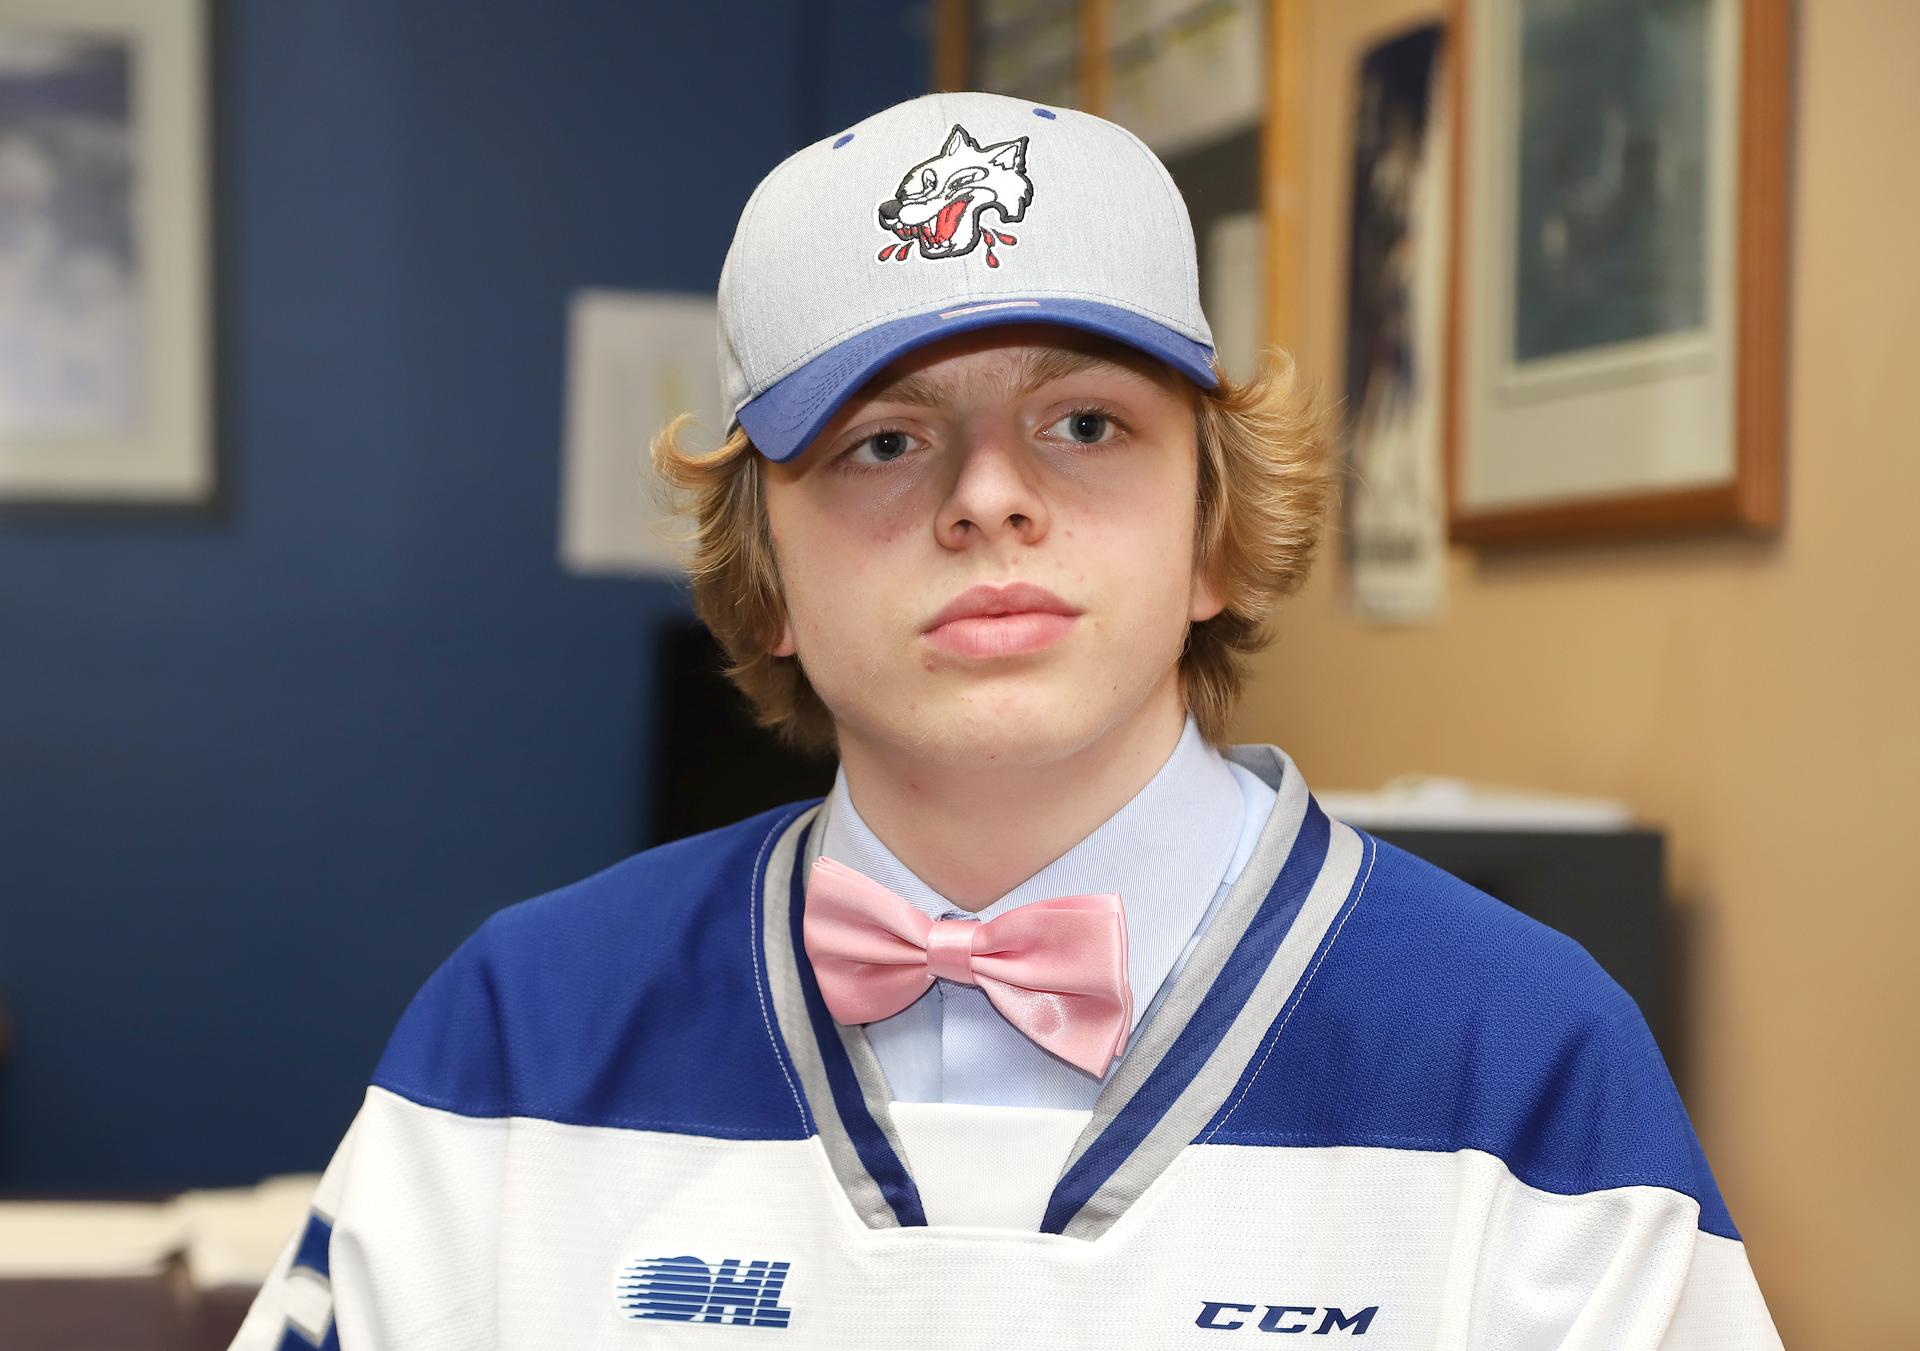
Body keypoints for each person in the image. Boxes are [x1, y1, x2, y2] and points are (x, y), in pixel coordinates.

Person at [232, 91, 1780, 1349]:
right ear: (761, 576)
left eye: (1086, 422)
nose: (988, 498)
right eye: (885, 441)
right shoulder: (520, 1029)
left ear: (1214, 529)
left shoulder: (1516, 1054)